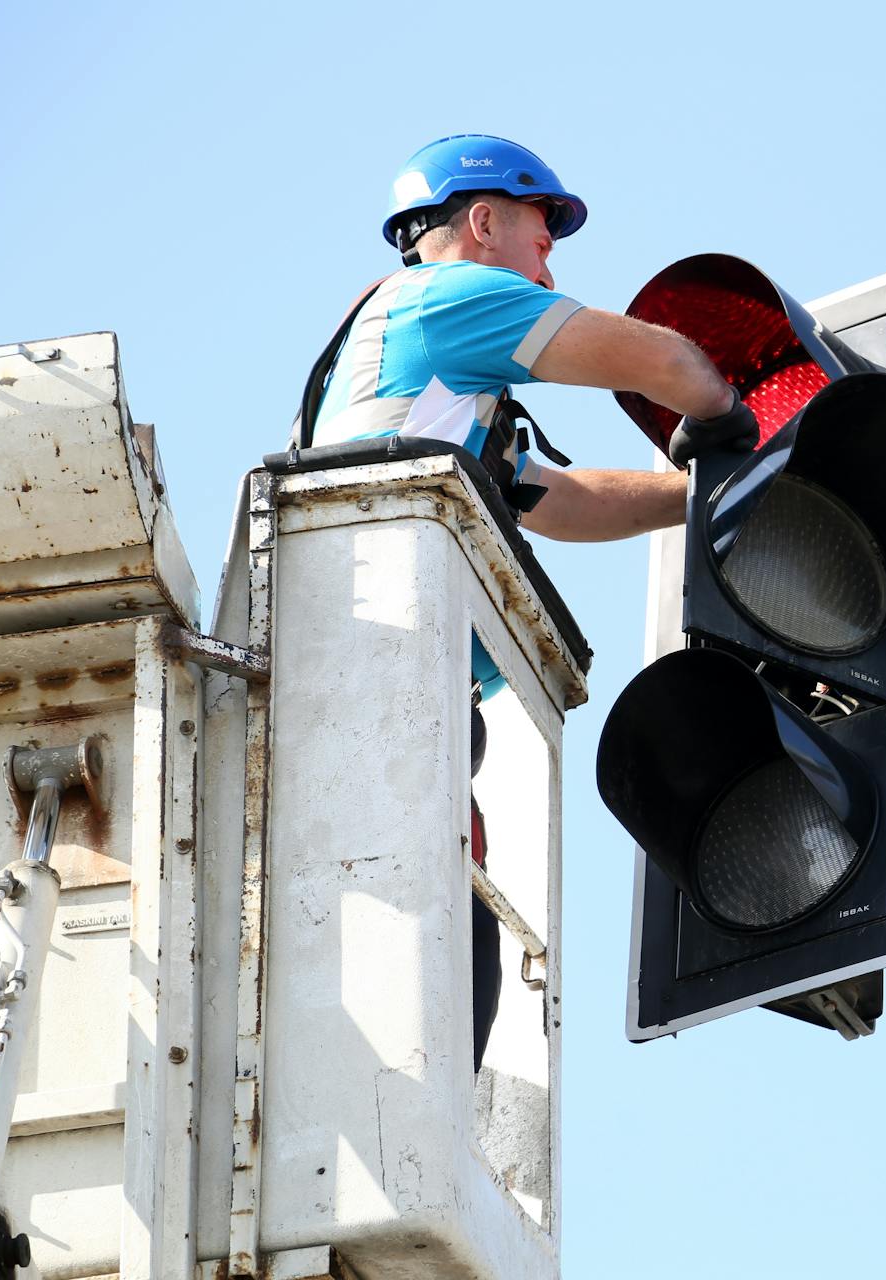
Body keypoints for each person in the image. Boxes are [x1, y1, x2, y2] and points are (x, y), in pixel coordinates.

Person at [297, 134, 758, 1071]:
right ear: (482, 221)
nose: (551, 254)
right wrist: (734, 424)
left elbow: (561, 499)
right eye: (543, 227)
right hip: (378, 668)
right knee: (438, 939)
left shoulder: (433, 390)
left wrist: (698, 495)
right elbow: (654, 360)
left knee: (452, 927)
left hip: (388, 675)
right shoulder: (446, 299)